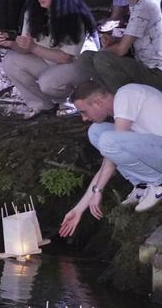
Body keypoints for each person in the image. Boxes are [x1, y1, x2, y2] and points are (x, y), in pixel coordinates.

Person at [59, 81, 162, 236]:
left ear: (97, 103)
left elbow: (110, 153)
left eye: (84, 111)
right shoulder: (121, 111)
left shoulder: (125, 95)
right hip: (155, 147)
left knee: (108, 140)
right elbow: (110, 159)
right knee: (96, 132)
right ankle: (142, 185)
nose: (84, 118)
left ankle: (157, 183)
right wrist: (79, 208)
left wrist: (98, 190)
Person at [0, 0, 94, 119]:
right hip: (47, 64)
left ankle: (71, 101)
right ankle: (41, 105)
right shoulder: (33, 12)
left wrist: (33, 47)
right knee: (11, 60)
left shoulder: (74, 17)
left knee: (48, 82)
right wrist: (11, 44)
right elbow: (25, 48)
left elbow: (66, 58)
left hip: (78, 68)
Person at [79, 0, 162, 93]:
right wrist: (114, 40)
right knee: (86, 58)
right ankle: (110, 100)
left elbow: (121, 50)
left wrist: (105, 50)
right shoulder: (137, 3)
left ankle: (127, 102)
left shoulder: (144, 7)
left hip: (155, 72)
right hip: (143, 66)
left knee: (102, 59)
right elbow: (133, 39)